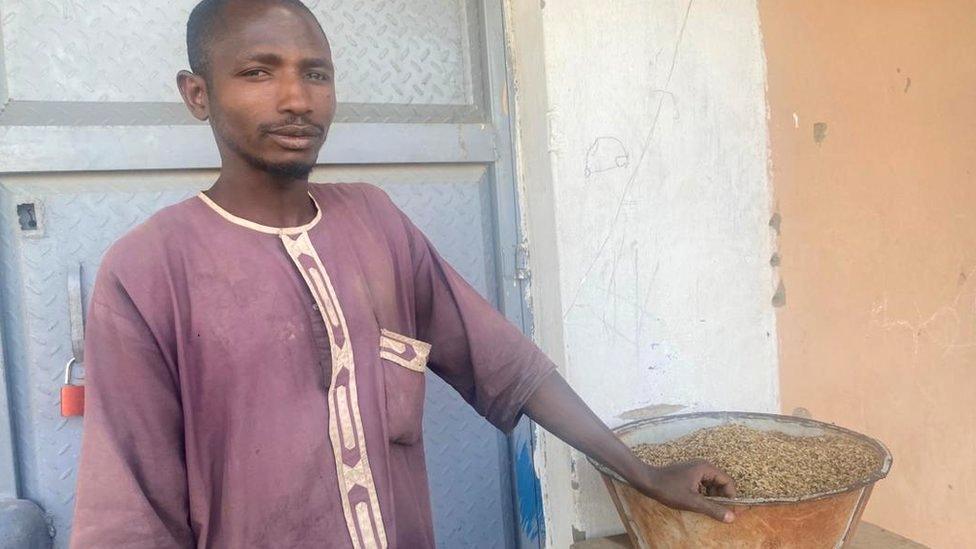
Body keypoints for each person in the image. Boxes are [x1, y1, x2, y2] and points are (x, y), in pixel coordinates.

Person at [69, 1, 736, 547]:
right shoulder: (149, 270)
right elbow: (128, 512)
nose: (297, 98)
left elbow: (507, 364)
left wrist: (641, 471)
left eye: (317, 74)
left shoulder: (376, 224)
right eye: (258, 72)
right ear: (197, 94)